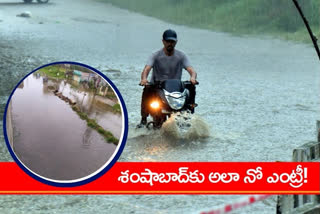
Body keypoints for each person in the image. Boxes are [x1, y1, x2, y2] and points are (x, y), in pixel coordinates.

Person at [137, 29, 198, 127]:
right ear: (163, 41)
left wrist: (193, 78)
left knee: (191, 87)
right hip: (157, 87)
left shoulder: (181, 56)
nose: (170, 44)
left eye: (172, 41)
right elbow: (146, 69)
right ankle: (143, 119)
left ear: (176, 42)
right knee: (147, 89)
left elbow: (191, 70)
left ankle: (189, 112)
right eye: (168, 41)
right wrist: (144, 79)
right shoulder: (155, 55)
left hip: (175, 89)